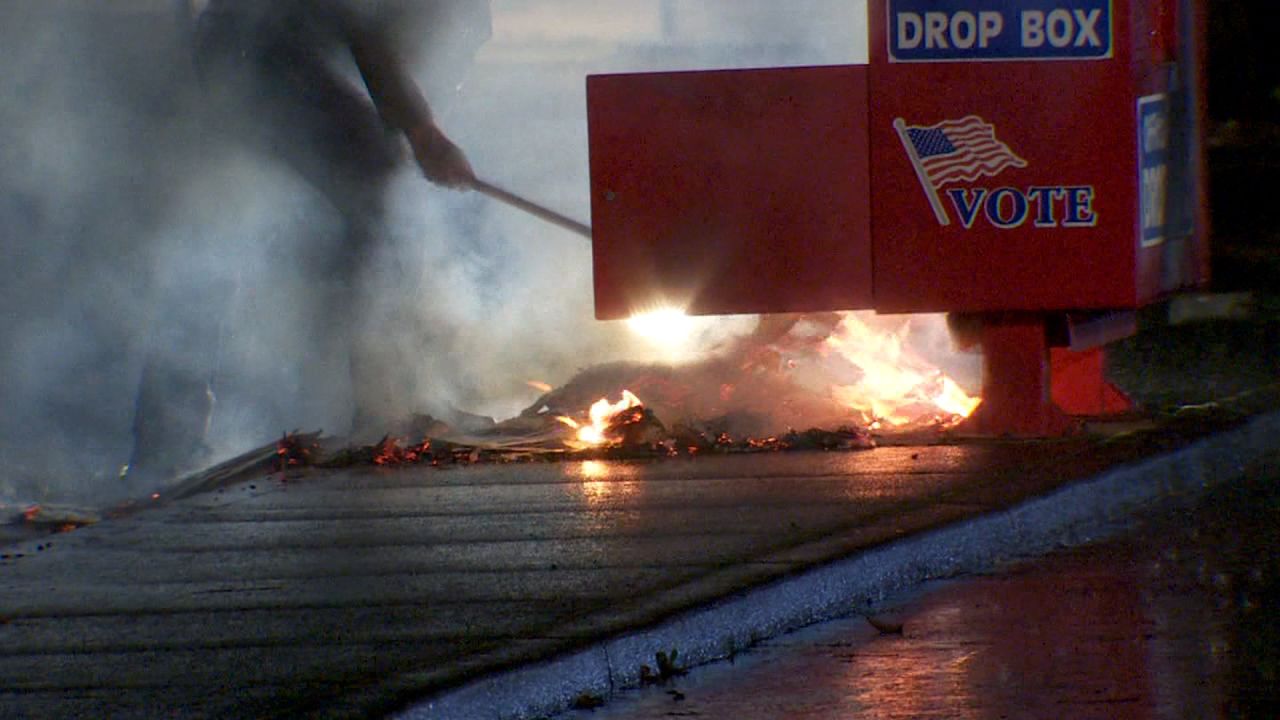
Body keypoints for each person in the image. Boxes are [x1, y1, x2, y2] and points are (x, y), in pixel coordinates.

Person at [125, 0, 491, 489]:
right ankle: (381, 411)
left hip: (243, 48)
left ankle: (165, 443)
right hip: (258, 52)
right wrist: (421, 130)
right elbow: (360, 24)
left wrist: (412, 124)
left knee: (222, 229)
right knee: (366, 180)